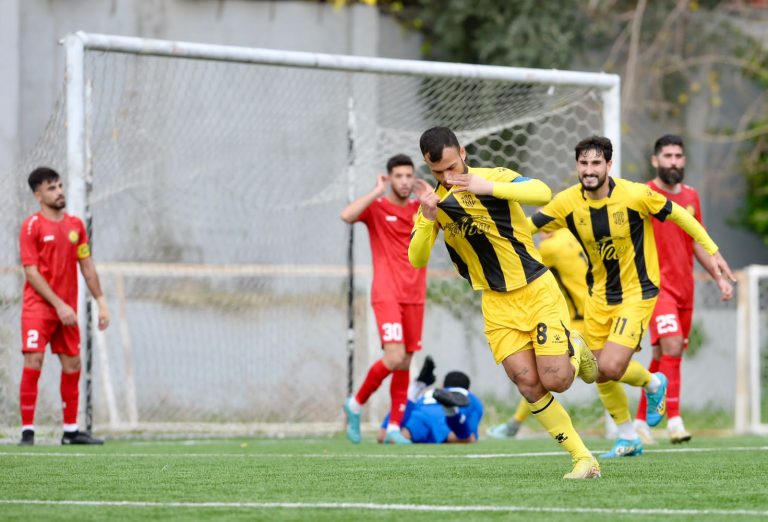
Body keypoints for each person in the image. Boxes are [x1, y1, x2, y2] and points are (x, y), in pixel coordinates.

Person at [410, 126, 600, 479]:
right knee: (527, 383)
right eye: (438, 171)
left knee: (556, 379)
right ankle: (583, 458)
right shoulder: (434, 202)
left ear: (463, 153)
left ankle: (575, 346)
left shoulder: (492, 177)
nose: (447, 177)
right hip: (496, 304)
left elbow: (542, 191)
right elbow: (417, 259)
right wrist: (427, 219)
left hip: (535, 289)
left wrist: (489, 188)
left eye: (451, 167)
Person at [529, 136, 736, 458]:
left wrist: (713, 249)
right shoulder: (566, 201)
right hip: (598, 295)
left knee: (611, 366)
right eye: (583, 163)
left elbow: (682, 216)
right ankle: (628, 435)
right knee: (597, 372)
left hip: (637, 293)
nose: (589, 170)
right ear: (577, 166)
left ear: (609, 165)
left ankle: (654, 385)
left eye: (596, 163)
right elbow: (526, 228)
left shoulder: (636, 195)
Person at [633, 135, 733, 444]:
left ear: (684, 160)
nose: (673, 161)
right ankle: (674, 421)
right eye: (667, 156)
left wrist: (718, 276)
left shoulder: (691, 196)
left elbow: (698, 241)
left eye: (678, 156)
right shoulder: (645, 195)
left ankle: (640, 422)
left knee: (664, 354)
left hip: (685, 288)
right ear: (655, 160)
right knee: (673, 346)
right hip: (656, 288)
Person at [18, 167, 111, 445]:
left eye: (59, 186)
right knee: (34, 360)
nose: (59, 192)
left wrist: (102, 302)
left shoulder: (75, 226)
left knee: (73, 363)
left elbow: (87, 266)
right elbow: (31, 272)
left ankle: (71, 431)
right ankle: (27, 432)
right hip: (39, 308)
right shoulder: (31, 226)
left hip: (66, 310)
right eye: (51, 188)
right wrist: (58, 304)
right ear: (38, 195)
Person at [341, 154, 427, 445]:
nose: (404, 181)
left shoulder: (420, 209)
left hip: (415, 295)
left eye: (409, 176)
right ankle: (355, 404)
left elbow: (447, 221)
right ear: (389, 178)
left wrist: (430, 198)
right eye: (398, 176)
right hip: (387, 293)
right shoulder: (377, 208)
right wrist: (376, 191)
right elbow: (347, 215)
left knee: (405, 361)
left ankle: (393, 427)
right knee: (393, 356)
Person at [487, 227, 589, 439]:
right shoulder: (571, 235)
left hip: (577, 321)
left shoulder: (550, 248)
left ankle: (644, 397)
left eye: (542, 222)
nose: (539, 230)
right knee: (537, 378)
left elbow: (522, 267)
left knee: (604, 371)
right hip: (592, 311)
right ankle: (515, 424)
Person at [377, 356, 484, 444]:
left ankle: (414, 390)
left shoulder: (431, 393)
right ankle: (452, 412)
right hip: (443, 421)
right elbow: (471, 434)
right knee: (467, 438)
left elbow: (406, 411)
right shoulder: (471, 398)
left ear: (443, 386)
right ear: (468, 389)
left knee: (385, 436)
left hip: (420, 415)